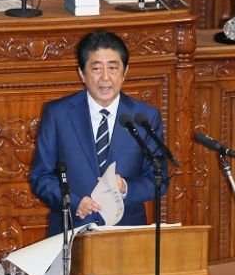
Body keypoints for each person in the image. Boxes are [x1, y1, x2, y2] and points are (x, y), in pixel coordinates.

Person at [30, 30, 169, 236]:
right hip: (70, 230)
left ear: (125, 71)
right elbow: (41, 177)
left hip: (125, 233)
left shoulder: (144, 117)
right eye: (96, 68)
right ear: (82, 74)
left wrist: (125, 188)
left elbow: (159, 179)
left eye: (113, 68)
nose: (105, 78)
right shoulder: (57, 113)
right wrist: (74, 202)